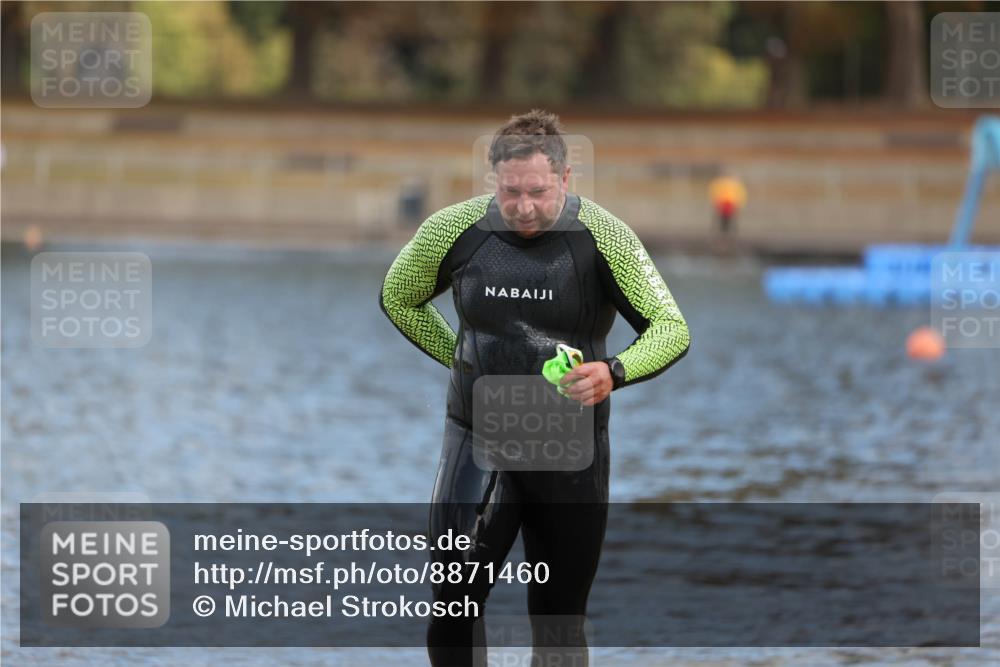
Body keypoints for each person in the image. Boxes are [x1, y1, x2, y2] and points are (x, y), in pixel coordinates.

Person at [379, 109, 690, 666]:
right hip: (478, 437)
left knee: (559, 619)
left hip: (568, 448)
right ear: (492, 181)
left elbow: (670, 328)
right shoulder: (452, 230)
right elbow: (398, 297)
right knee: (453, 601)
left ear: (565, 179)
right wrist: (459, 359)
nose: (523, 207)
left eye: (538, 192)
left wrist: (613, 372)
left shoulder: (604, 236)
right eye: (510, 192)